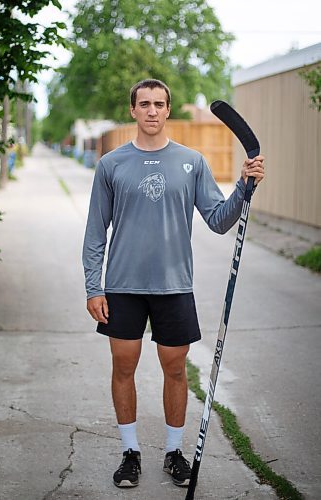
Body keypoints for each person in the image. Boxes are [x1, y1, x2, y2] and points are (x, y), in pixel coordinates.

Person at [82, 78, 265, 489]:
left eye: (158, 104)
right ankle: (130, 452)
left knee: (175, 369)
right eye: (143, 103)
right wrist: (94, 286)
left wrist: (244, 186)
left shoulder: (192, 162)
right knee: (123, 366)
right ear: (133, 110)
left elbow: (219, 221)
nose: (151, 110)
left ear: (168, 110)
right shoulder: (111, 164)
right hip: (123, 287)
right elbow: (96, 233)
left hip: (174, 286)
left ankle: (173, 451)